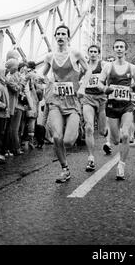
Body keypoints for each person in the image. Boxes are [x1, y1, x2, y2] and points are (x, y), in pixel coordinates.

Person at [42, 24, 88, 183]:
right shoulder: (49, 56)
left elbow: (88, 70)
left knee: (68, 141)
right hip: (56, 100)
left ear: (68, 37)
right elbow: (43, 74)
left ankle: (78, 127)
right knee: (56, 136)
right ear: (55, 37)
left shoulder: (75, 54)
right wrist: (45, 81)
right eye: (58, 34)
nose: (61, 36)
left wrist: (82, 86)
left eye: (63, 34)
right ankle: (65, 169)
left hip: (72, 101)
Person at [98, 38, 135, 180]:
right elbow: (99, 83)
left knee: (125, 135)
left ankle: (121, 165)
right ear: (114, 49)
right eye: (117, 47)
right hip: (112, 106)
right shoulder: (108, 67)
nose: (119, 49)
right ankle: (115, 143)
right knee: (116, 140)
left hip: (126, 106)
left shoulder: (132, 68)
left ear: (125, 49)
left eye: (122, 46)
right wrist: (105, 89)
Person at [78, 44, 111, 172]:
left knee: (102, 131)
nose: (92, 53)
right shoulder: (84, 66)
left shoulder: (102, 65)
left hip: (102, 98)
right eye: (90, 51)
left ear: (98, 53)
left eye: (95, 52)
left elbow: (109, 78)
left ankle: (107, 134)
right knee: (89, 127)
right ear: (88, 53)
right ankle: (91, 158)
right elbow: (78, 79)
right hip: (88, 98)